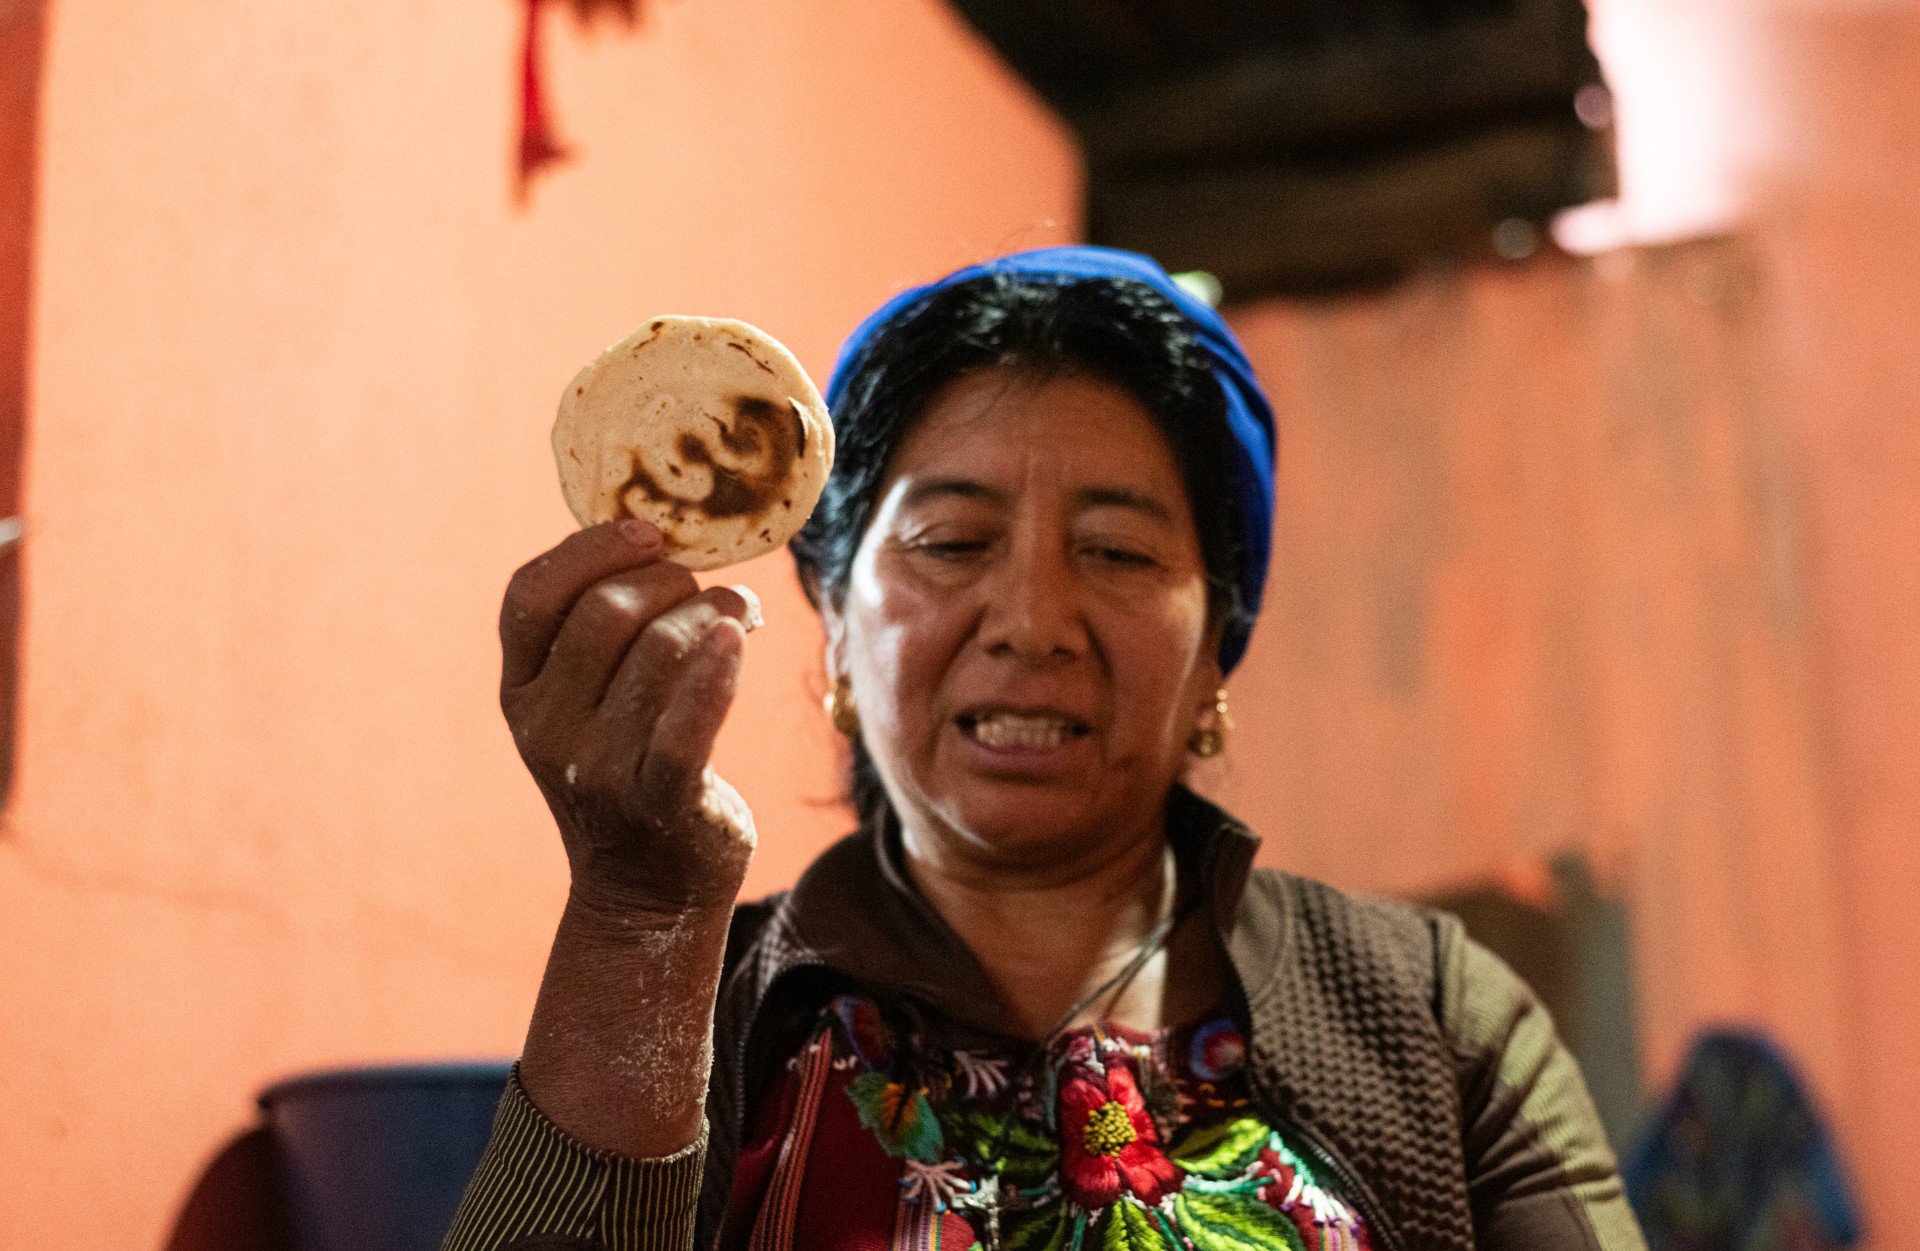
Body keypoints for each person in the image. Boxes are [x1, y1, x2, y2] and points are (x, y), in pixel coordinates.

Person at [442, 247, 1646, 1251]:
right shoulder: (710, 1020)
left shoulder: (1437, 1022)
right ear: (839, 626)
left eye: (1120, 554)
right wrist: (637, 919)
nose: (1031, 622)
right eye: (953, 542)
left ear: (1218, 645)